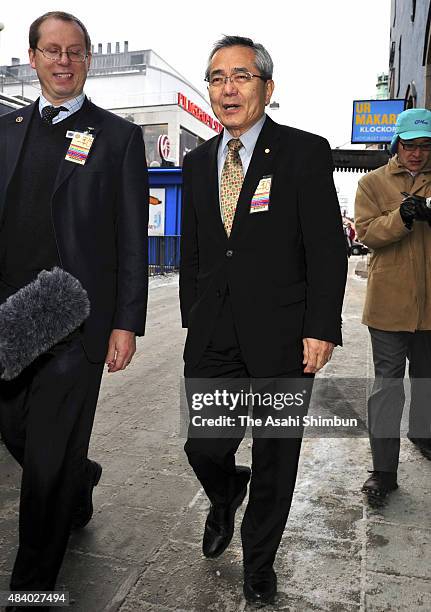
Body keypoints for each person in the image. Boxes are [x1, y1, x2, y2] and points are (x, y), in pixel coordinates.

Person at [179, 35, 347, 606]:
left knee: (277, 454)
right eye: (217, 77)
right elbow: (196, 251)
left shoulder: (303, 151)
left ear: (267, 88)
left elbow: (327, 248)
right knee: (205, 445)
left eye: (242, 76)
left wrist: (322, 326)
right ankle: (225, 492)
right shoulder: (198, 161)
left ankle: (260, 563)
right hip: (215, 335)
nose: (228, 89)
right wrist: (191, 319)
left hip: (283, 335)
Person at [0, 11, 148, 601]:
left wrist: (126, 322)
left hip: (71, 312)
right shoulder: (7, 128)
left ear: (88, 60)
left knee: (44, 459)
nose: (64, 61)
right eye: (53, 51)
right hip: (12, 314)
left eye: (76, 52)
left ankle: (32, 586)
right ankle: (78, 479)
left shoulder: (117, 136)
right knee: (14, 427)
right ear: (32, 57)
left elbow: (133, 237)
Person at [355, 108, 431, 502]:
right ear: (396, 145)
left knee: (427, 381)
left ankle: (424, 432)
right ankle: (383, 470)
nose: (417, 153)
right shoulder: (373, 184)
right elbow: (367, 234)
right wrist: (400, 217)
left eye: (424, 145)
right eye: (409, 145)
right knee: (387, 387)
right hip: (388, 306)